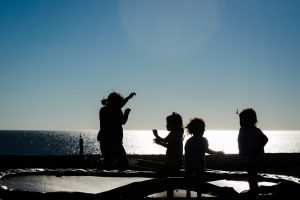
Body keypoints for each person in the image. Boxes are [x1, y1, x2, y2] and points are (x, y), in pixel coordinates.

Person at [184, 117, 224, 198]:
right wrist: (218, 153)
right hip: (199, 164)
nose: (203, 130)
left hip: (189, 164)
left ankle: (188, 194)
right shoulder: (203, 140)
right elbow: (207, 150)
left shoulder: (189, 141)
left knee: (189, 180)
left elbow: (186, 154)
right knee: (200, 181)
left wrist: (186, 164)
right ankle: (199, 195)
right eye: (203, 128)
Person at [97, 91, 136, 170]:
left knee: (108, 162)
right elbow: (123, 121)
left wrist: (128, 98)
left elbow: (120, 105)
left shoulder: (103, 110)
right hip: (114, 141)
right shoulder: (116, 110)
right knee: (124, 165)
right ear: (115, 101)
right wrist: (126, 114)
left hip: (104, 140)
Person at [237, 108, 268, 197]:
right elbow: (240, 141)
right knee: (251, 175)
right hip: (249, 157)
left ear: (251, 120)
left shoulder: (255, 130)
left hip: (256, 157)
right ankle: (254, 190)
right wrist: (241, 152)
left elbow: (265, 139)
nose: (241, 122)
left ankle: (254, 191)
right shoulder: (242, 130)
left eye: (243, 120)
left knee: (251, 175)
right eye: (240, 120)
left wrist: (256, 150)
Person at [152, 112, 184, 177]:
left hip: (174, 162)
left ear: (175, 124)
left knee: (160, 174)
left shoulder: (177, 134)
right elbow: (164, 140)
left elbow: (171, 146)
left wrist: (159, 143)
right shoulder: (172, 133)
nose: (166, 125)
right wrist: (157, 135)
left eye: (168, 123)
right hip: (171, 161)